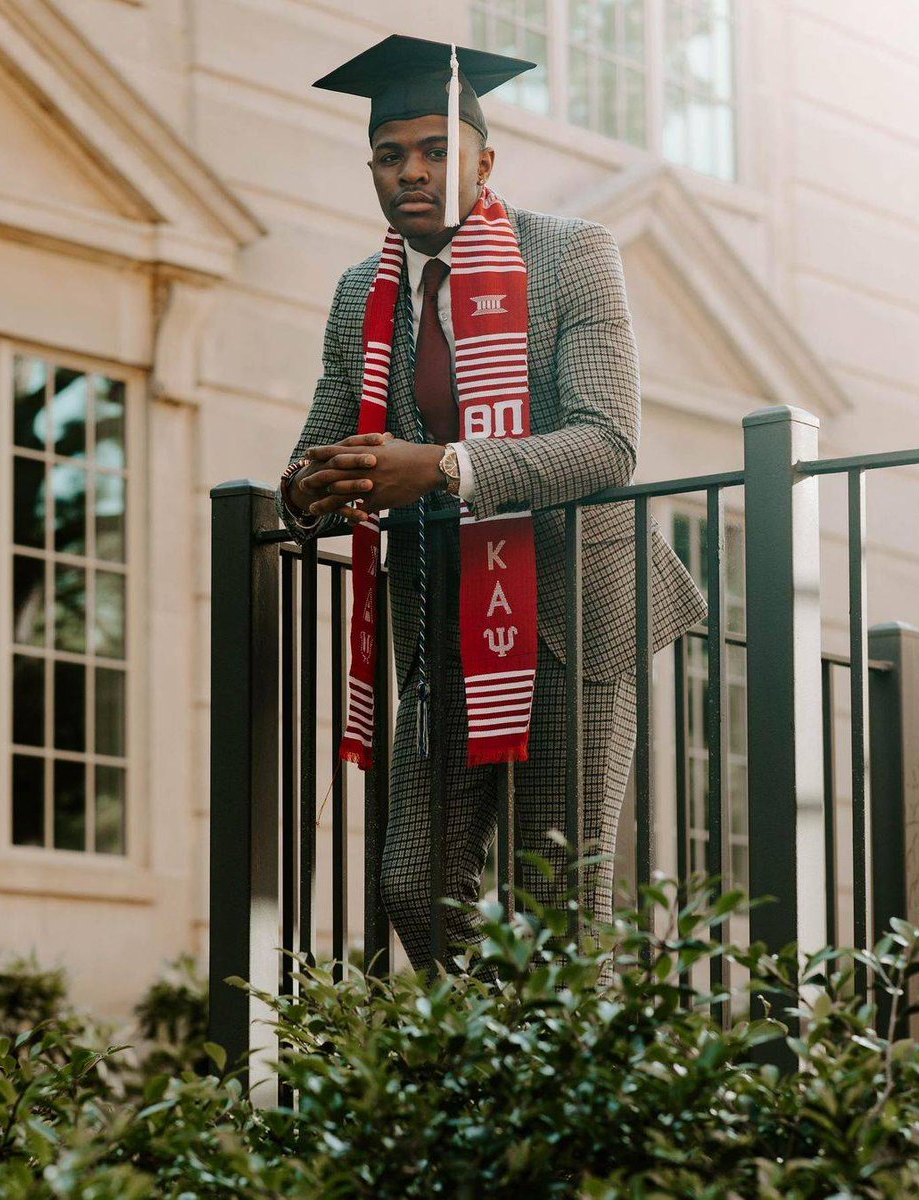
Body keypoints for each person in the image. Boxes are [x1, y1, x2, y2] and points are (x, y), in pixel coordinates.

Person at [276, 35, 708, 983]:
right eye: (391, 156)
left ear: (482, 160)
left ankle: (561, 1082)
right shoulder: (364, 294)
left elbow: (606, 443)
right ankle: (506, 1052)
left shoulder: (570, 256)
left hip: (572, 618)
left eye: (434, 150)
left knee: (559, 902)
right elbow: (316, 444)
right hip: (443, 632)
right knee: (409, 884)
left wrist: (439, 469)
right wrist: (310, 487)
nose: (412, 173)